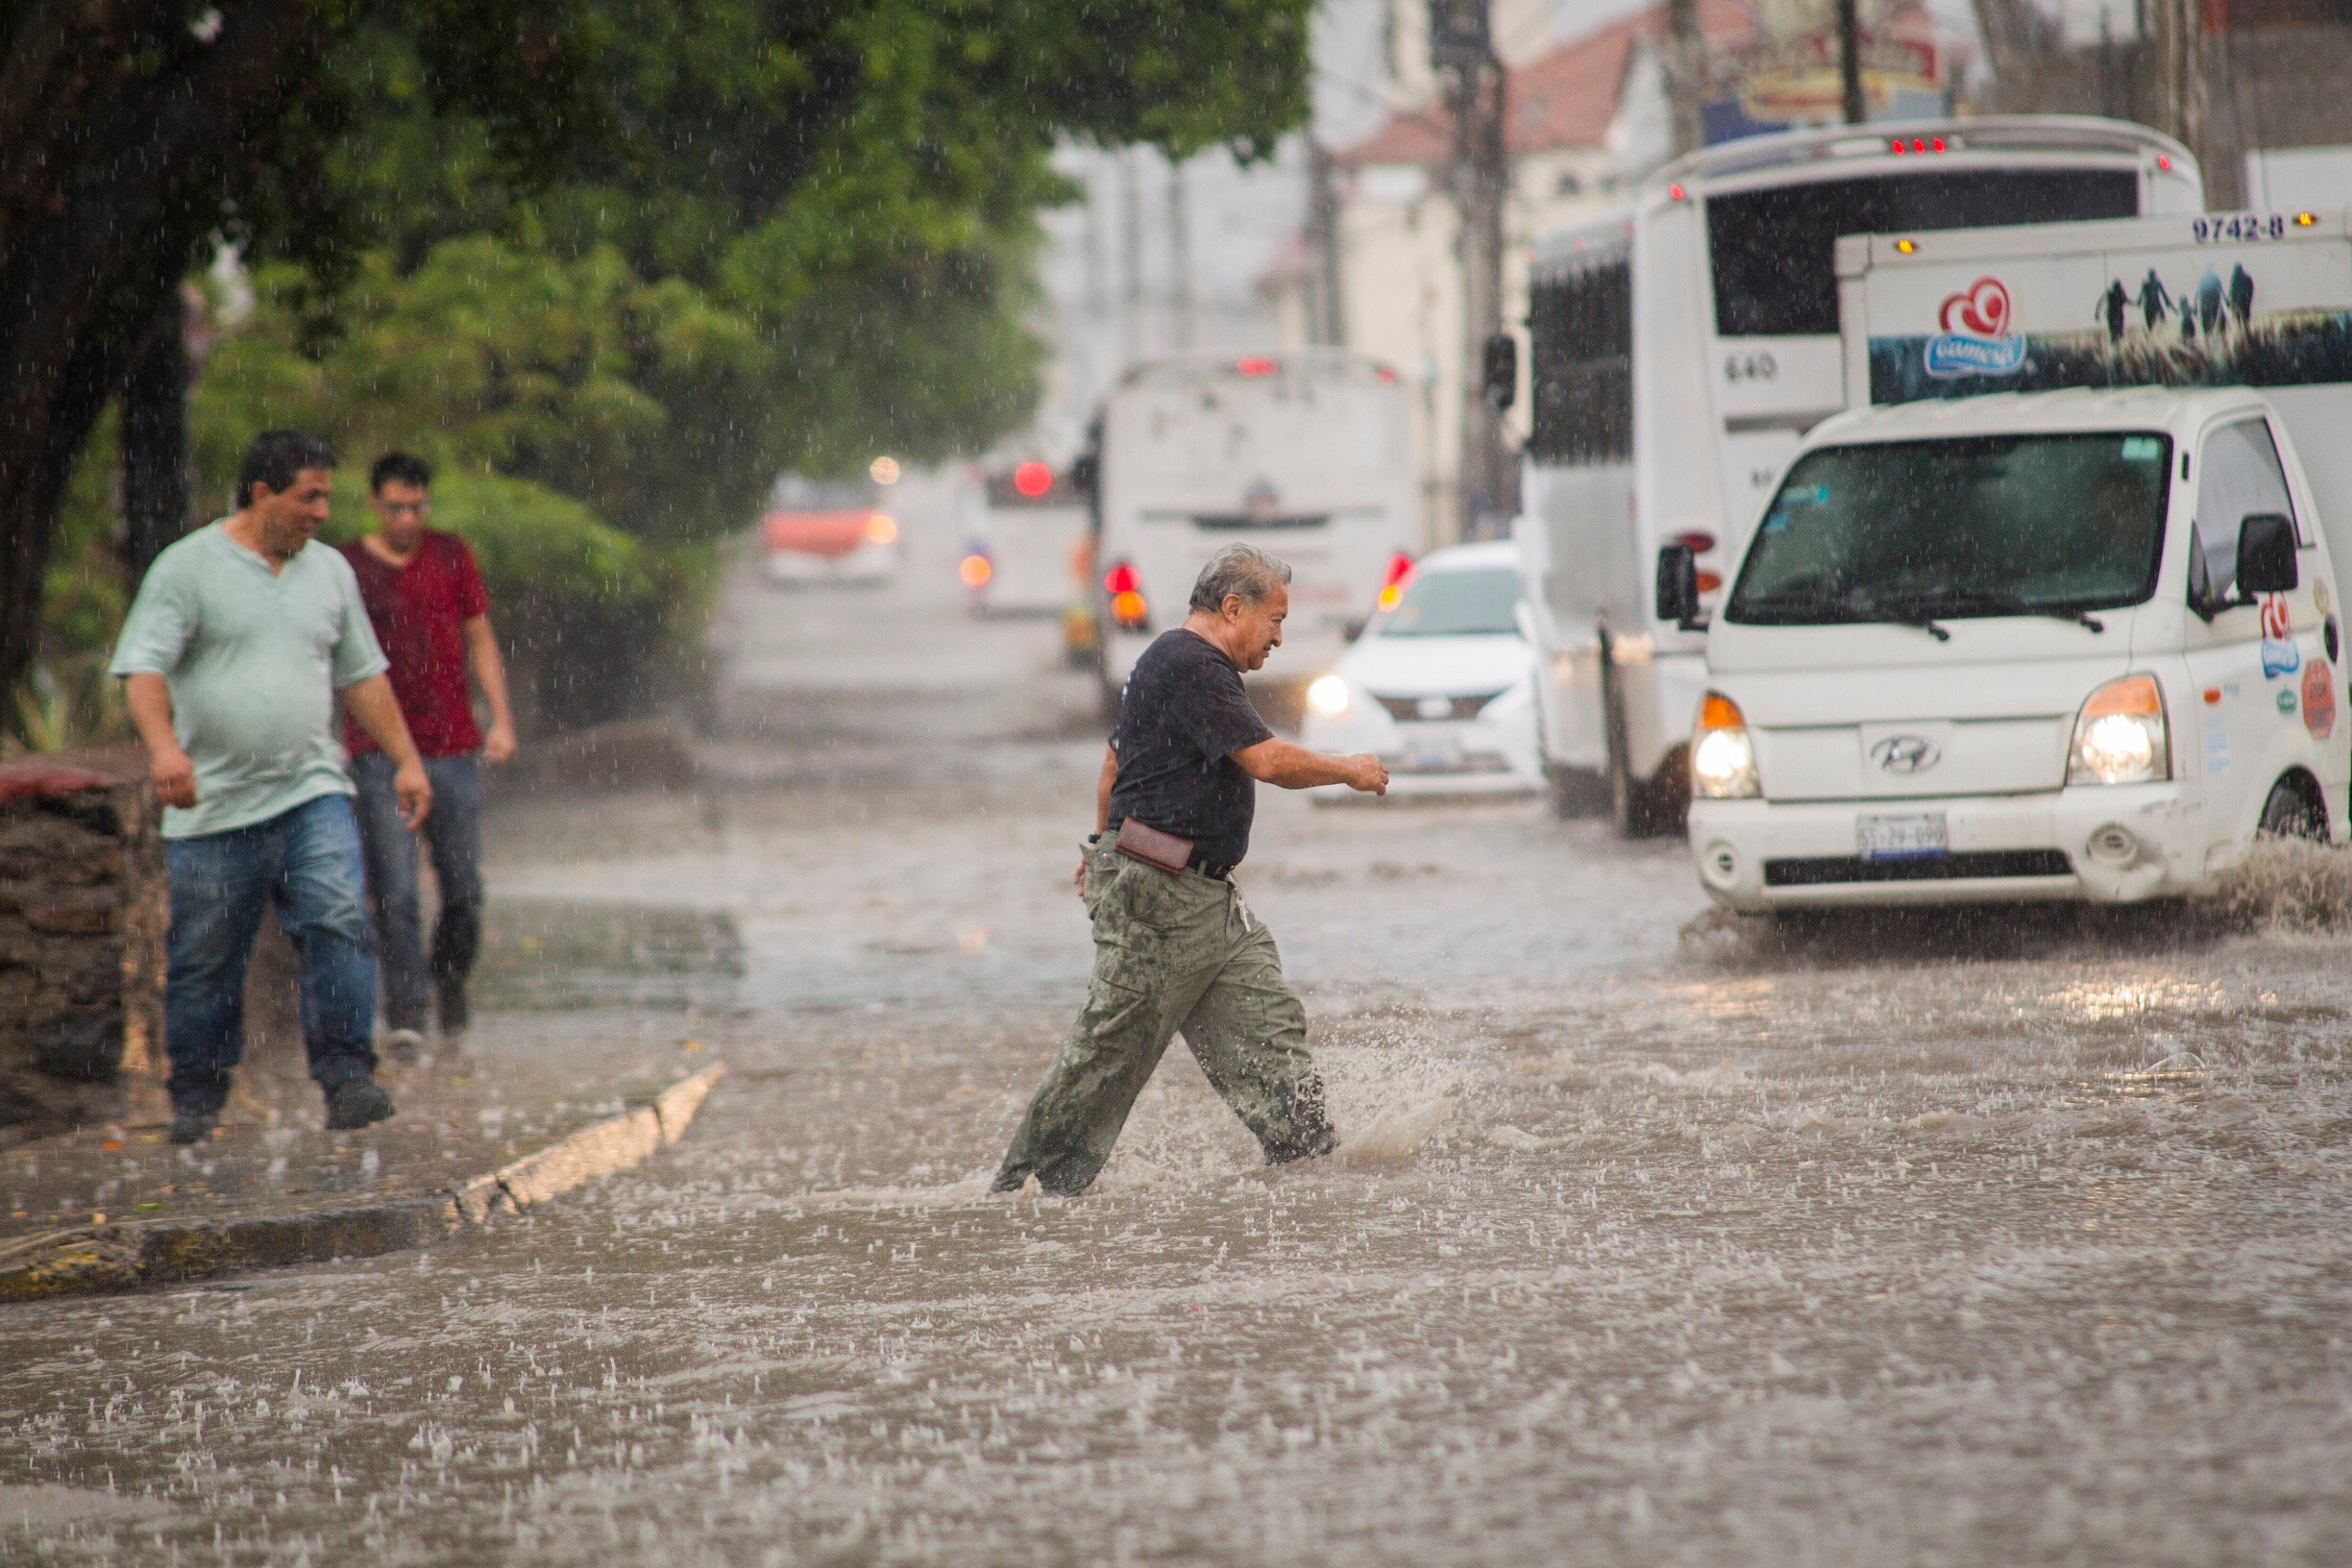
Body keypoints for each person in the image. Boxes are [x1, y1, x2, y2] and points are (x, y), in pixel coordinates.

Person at [992, 545, 1389, 1195]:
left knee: (1270, 1037)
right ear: (1233, 608)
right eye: (1275, 620)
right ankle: (1024, 1195)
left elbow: (1112, 767)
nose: (1280, 639)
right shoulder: (1189, 663)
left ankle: (1308, 1170)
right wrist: (1349, 768)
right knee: (1107, 1056)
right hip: (1159, 898)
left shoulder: (1177, 666)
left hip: (1205, 899)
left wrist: (1099, 847)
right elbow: (1266, 762)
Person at [111, 430, 432, 1144]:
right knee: (205, 958)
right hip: (213, 806)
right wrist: (165, 751)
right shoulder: (187, 569)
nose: (322, 511)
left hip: (310, 790)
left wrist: (406, 759)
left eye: (327, 495)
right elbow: (143, 668)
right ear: (262, 495)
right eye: (309, 495)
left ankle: (348, 1076)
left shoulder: (329, 574)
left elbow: (362, 675)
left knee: (337, 920)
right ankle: (196, 1097)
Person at [341, 453, 516, 1050]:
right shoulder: (349, 567)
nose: (408, 519)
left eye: (417, 506)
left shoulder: (450, 554)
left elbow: (480, 638)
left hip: (452, 744)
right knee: (393, 886)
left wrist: (501, 718)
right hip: (378, 747)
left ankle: (450, 979)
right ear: (374, 504)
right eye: (396, 507)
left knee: (463, 887)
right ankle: (408, 1011)